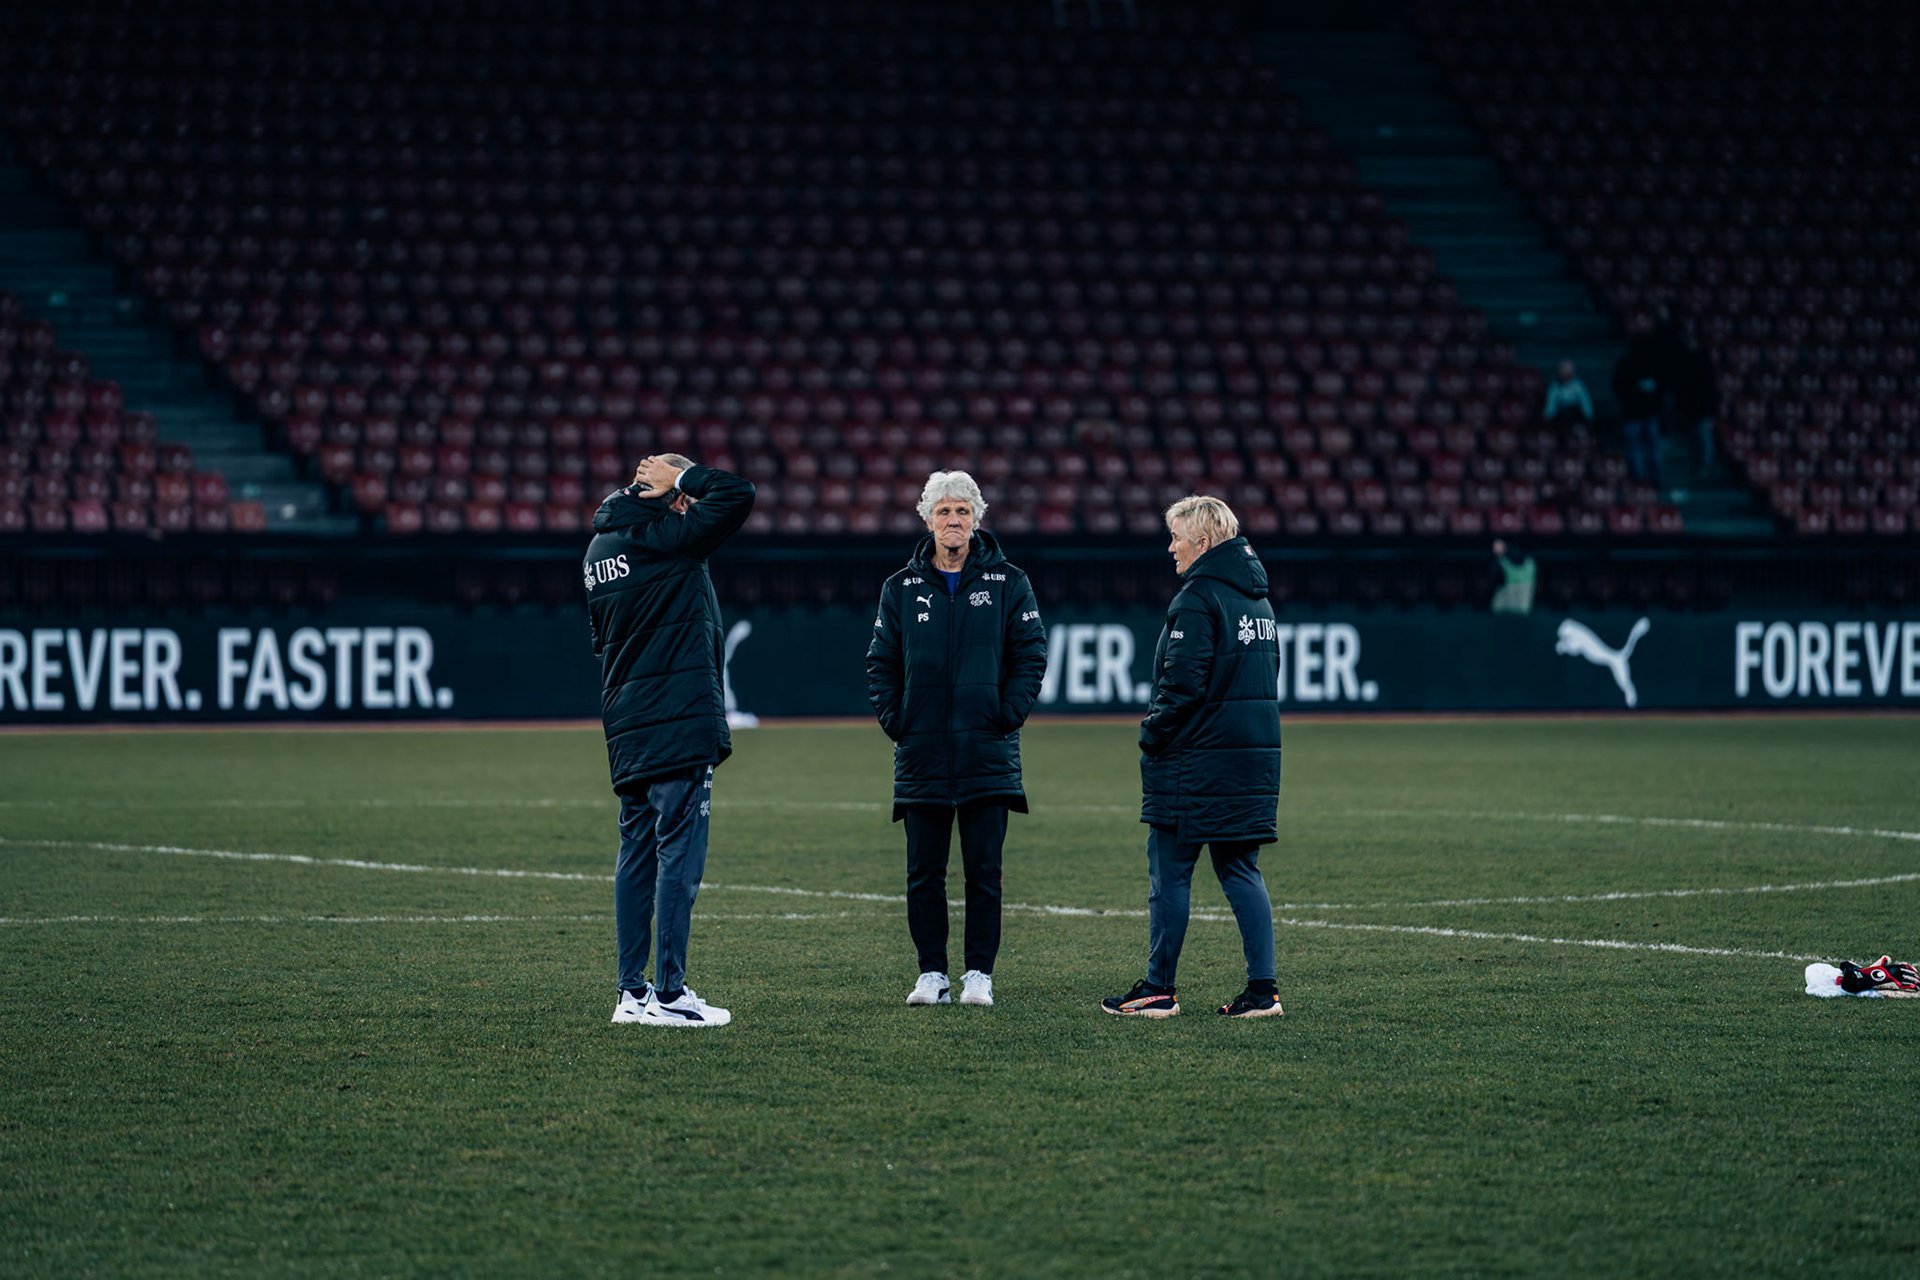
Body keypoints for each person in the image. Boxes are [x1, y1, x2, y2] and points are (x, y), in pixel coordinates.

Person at [585, 452, 755, 1028]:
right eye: (682, 494)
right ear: (669, 493)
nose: (690, 505)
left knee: (635, 853)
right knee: (678, 855)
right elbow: (738, 495)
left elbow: (600, 639)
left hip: (626, 721)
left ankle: (631, 994)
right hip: (678, 718)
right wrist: (683, 478)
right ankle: (672, 993)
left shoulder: (599, 550)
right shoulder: (669, 536)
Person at [866, 470, 1047, 1009]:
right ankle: (931, 974)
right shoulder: (898, 588)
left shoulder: (1010, 582)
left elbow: (1031, 654)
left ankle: (978, 975)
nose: (953, 520)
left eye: (962, 511)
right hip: (921, 752)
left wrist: (1006, 714)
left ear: (977, 519)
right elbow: (881, 664)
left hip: (986, 750)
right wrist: (899, 721)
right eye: (943, 511)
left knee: (983, 873)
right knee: (923, 873)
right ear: (927, 519)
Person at [1103, 495, 1285, 1020]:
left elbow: (1181, 685)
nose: (1171, 546)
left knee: (1170, 872)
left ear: (1202, 543)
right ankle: (1263, 991)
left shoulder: (1198, 598)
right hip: (1251, 761)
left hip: (1196, 762)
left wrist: (1151, 733)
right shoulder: (1259, 602)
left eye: (1177, 536)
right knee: (1241, 870)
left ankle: (1158, 989)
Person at [1542, 359, 1594, 430]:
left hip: (1576, 417)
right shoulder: (1555, 387)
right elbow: (1550, 407)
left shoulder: (1578, 386)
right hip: (1560, 419)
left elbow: (1586, 404)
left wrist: (1589, 419)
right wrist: (1547, 419)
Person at [1489, 538, 1537, 615]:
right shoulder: (1500, 562)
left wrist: (1505, 549)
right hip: (1501, 611)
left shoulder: (1530, 563)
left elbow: (1517, 555)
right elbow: (1492, 581)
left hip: (1522, 612)